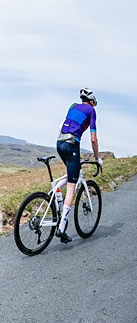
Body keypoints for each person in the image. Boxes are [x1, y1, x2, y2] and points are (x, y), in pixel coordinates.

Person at [56, 88, 102, 244]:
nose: (93, 106)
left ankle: (56, 190)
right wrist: (98, 159)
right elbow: (94, 139)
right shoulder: (91, 111)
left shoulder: (72, 106)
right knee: (71, 187)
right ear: (91, 102)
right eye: (94, 104)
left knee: (70, 175)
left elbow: (62, 124)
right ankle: (61, 228)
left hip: (59, 142)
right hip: (72, 144)